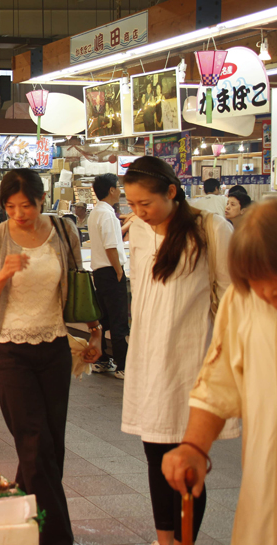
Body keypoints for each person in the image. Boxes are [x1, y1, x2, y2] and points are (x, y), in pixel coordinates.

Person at [0, 169, 100, 545]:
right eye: (9, 206)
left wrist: (95, 331)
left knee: (50, 447)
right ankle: (57, 537)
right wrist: (3, 276)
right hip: (10, 351)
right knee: (34, 440)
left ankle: (18, 517)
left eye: (25, 205)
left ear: (42, 200)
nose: (18, 213)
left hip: (55, 349)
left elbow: (77, 282)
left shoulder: (64, 232)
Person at [120, 156, 237, 545]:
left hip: (191, 359)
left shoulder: (210, 228)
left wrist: (225, 358)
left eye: (145, 204)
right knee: (155, 454)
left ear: (171, 192)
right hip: (149, 356)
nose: (138, 212)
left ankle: (186, 540)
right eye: (131, 204)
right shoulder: (138, 228)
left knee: (187, 459)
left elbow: (230, 296)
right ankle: (164, 539)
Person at [161, 200, 277, 544]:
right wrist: (194, 445)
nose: (267, 295)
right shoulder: (243, 300)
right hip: (266, 488)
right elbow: (217, 381)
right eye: (258, 286)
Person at [88, 173, 129, 379]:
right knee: (119, 319)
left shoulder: (96, 213)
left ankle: (103, 361)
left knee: (104, 319)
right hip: (111, 272)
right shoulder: (108, 214)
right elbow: (111, 246)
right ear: (111, 190)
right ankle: (123, 365)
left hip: (99, 272)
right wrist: (120, 271)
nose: (120, 190)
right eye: (118, 186)